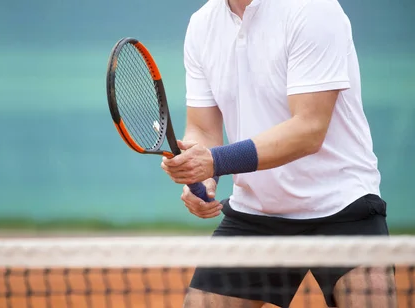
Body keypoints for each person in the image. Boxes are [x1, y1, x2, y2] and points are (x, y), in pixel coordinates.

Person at [160, 0, 396, 307]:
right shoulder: (202, 24)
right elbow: (203, 130)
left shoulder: (313, 9)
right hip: (257, 212)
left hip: (341, 204)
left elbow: (309, 129)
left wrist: (215, 161)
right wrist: (202, 175)